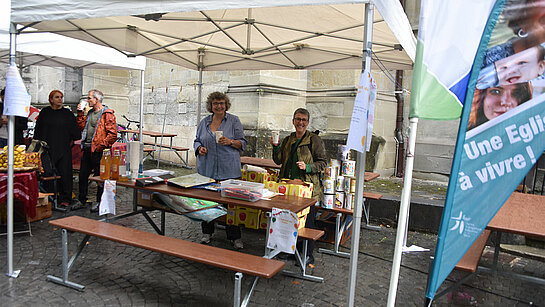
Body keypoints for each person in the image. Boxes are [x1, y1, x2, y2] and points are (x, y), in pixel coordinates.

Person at [272, 108, 327, 265]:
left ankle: (307, 254)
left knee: (307, 223)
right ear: (293, 121)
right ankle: (289, 251)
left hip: (307, 189)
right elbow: (278, 161)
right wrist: (275, 147)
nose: (300, 122)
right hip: (289, 188)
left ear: (308, 122)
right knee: (289, 220)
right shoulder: (288, 139)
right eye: (298, 119)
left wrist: (308, 167)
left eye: (303, 120)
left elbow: (323, 162)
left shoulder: (313, 140)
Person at [193, 92, 247, 249]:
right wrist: (200, 148)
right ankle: (207, 233)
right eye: (215, 103)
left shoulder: (233, 121)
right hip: (207, 171)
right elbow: (196, 140)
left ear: (226, 104)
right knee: (207, 203)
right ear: (211, 105)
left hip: (228, 170)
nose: (219, 106)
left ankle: (234, 237)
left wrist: (230, 141)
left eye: (221, 103)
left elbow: (243, 143)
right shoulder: (204, 122)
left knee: (231, 205)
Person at [34, 90, 81, 209]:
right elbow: (38, 131)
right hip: (47, 149)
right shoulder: (45, 112)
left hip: (63, 148)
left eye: (61, 97)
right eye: (57, 97)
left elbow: (74, 132)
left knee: (65, 174)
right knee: (48, 173)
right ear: (51, 99)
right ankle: (50, 197)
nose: (60, 99)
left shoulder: (67, 113)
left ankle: (65, 198)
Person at [76, 89, 117, 212]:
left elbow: (112, 135)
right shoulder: (89, 113)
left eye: (89, 98)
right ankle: (82, 200)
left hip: (99, 152)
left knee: (100, 178)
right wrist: (80, 114)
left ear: (96, 99)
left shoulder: (107, 114)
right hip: (88, 149)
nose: (87, 100)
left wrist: (100, 146)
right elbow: (82, 128)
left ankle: (100, 202)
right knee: (82, 176)